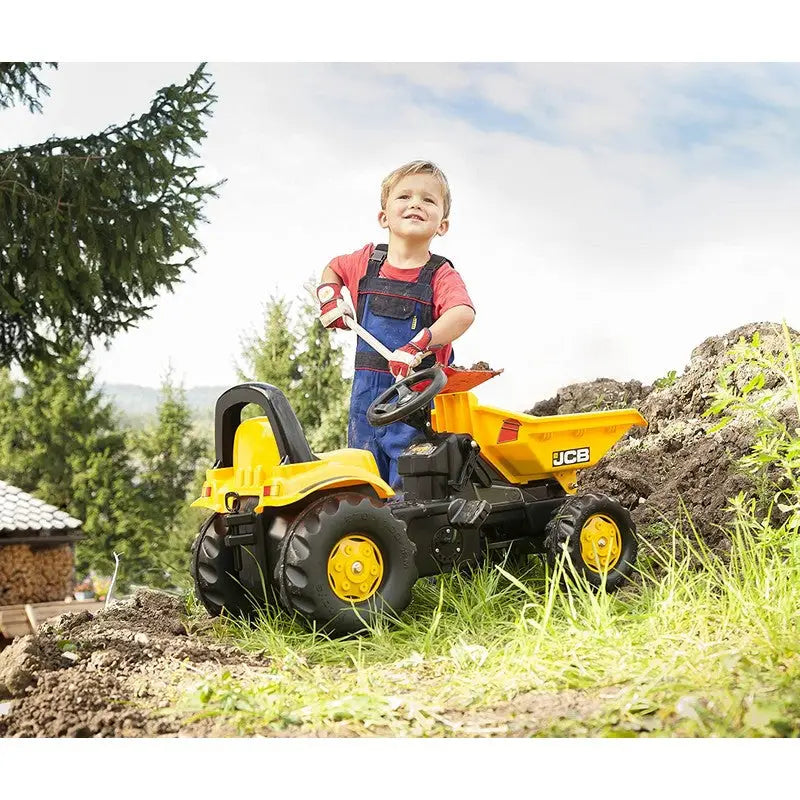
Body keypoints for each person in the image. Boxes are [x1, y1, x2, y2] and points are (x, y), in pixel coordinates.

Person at [316, 160, 475, 488]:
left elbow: (462, 313)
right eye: (404, 196)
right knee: (362, 480)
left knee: (410, 486)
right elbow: (333, 268)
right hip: (365, 405)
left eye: (428, 200)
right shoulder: (365, 262)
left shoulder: (440, 274)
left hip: (416, 405)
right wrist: (331, 298)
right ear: (383, 216)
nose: (416, 203)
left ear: (442, 225)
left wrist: (420, 343)